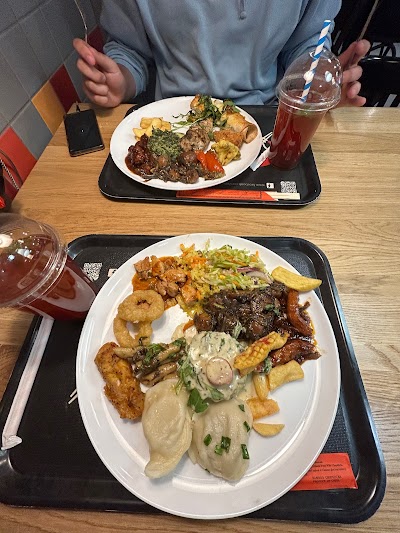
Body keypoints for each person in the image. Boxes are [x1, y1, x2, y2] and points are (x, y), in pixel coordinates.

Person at [74, 0, 370, 108]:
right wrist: (121, 80)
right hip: (170, 117)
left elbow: (307, 44)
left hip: (270, 117)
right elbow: (129, 49)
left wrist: (316, 82)